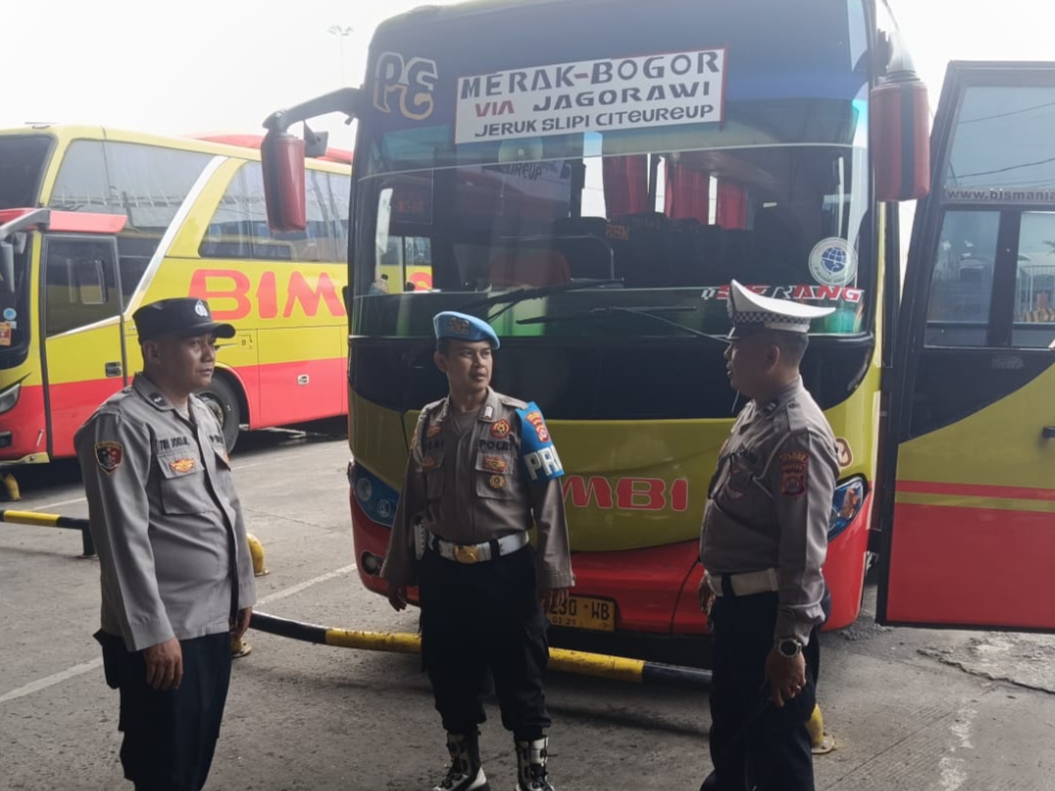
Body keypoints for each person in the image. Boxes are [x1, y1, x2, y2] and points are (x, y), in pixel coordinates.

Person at [381, 310, 575, 791]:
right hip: (444, 573)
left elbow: (548, 498)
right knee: (449, 673)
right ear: (442, 362)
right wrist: (398, 567)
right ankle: (467, 770)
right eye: (467, 354)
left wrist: (553, 570)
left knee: (521, 677)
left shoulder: (521, 418)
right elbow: (411, 499)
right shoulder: (429, 422)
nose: (480, 363)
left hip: (506, 572)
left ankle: (533, 777)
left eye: (485, 354)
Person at [74, 297, 257, 791]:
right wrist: (153, 633)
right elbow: (121, 540)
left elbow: (227, 508)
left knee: (194, 755)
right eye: (195, 343)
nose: (209, 354)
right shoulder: (120, 423)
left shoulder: (202, 413)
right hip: (167, 632)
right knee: (163, 767)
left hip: (213, 619)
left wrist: (243, 591)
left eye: (211, 343)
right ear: (153, 352)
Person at [697, 280, 840, 791]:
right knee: (732, 737)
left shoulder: (797, 433)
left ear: (770, 355)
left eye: (736, 346)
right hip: (739, 609)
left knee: (778, 753)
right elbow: (740, 510)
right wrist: (717, 578)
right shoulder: (758, 409)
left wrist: (787, 645)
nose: (727, 356)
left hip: (768, 618)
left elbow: (803, 552)